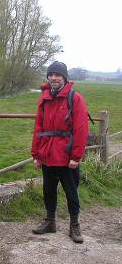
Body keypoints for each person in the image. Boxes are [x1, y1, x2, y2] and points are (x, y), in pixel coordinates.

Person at [31, 61, 89, 243]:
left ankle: (75, 225)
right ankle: (50, 221)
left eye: (58, 75)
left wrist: (76, 156)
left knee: (71, 192)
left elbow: (81, 129)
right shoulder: (45, 98)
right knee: (48, 190)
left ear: (64, 77)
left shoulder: (75, 98)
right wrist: (36, 155)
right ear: (47, 77)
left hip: (66, 156)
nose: (54, 78)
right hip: (48, 154)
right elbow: (38, 128)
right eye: (51, 75)